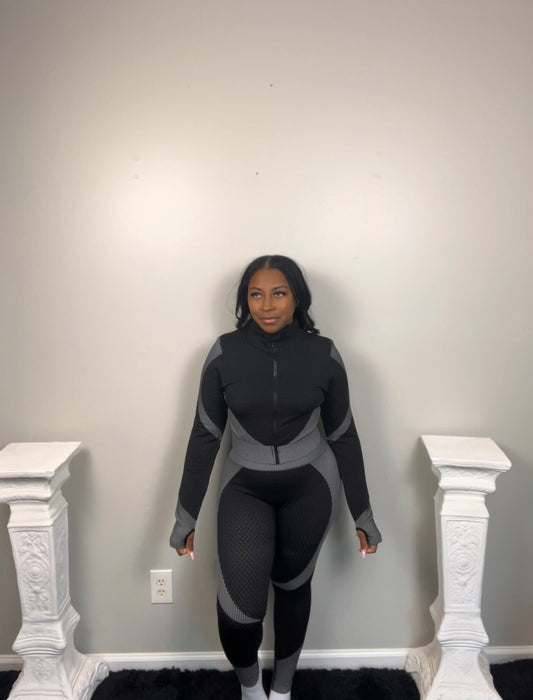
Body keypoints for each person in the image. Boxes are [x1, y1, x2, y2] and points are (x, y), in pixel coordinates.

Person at [170, 255, 381, 700]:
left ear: (297, 297)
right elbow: (205, 435)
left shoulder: (324, 353)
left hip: (312, 486)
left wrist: (363, 514)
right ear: (245, 300)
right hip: (244, 487)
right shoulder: (224, 352)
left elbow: (343, 434)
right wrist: (185, 516)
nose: (267, 305)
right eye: (256, 294)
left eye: (279, 293)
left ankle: (282, 690)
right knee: (238, 614)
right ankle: (251, 690)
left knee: (293, 589)